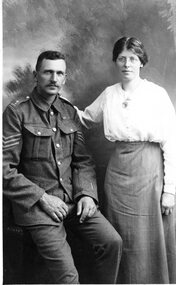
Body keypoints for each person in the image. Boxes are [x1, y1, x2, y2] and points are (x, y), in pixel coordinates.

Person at [3, 50, 123, 284]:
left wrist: (87, 195)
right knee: (69, 278)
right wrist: (42, 198)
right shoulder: (17, 112)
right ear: (36, 75)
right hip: (38, 209)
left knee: (112, 243)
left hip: (72, 203)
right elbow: (4, 169)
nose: (54, 79)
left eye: (59, 73)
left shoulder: (69, 112)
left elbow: (83, 160)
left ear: (65, 78)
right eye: (48, 72)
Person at [76, 36, 176, 284]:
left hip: (150, 171)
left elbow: (172, 142)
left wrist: (170, 191)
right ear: (115, 62)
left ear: (141, 62)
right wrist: (57, 103)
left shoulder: (156, 94)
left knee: (148, 238)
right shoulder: (109, 94)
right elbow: (85, 118)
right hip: (118, 174)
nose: (127, 64)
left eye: (133, 58)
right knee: (121, 238)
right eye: (122, 58)